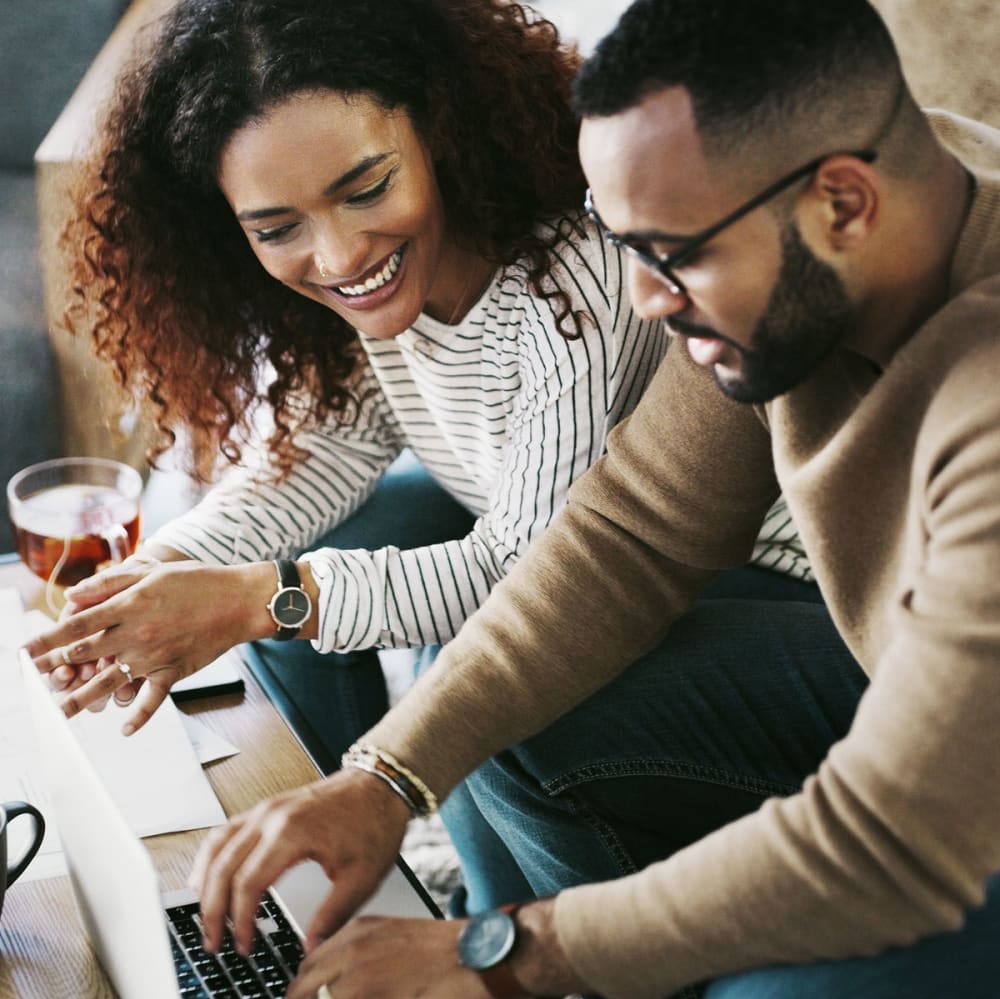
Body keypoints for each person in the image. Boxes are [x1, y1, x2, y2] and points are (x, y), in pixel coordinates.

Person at [175, 0, 1000, 997]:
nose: (647, 301)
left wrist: (505, 955)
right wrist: (383, 778)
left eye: (673, 254)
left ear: (842, 203)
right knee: (512, 697)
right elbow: (630, 535)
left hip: (952, 819)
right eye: (631, 249)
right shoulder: (847, 223)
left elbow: (892, 836)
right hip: (904, 692)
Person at [23, 0, 813, 919]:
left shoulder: (579, 287)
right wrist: (150, 577)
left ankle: (562, 949)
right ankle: (351, 876)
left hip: (754, 582)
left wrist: (253, 600)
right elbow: (311, 459)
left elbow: (536, 586)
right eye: (277, 228)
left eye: (365, 189)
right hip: (569, 558)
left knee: (487, 694)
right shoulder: (368, 295)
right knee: (362, 521)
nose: (339, 253)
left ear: (435, 121)